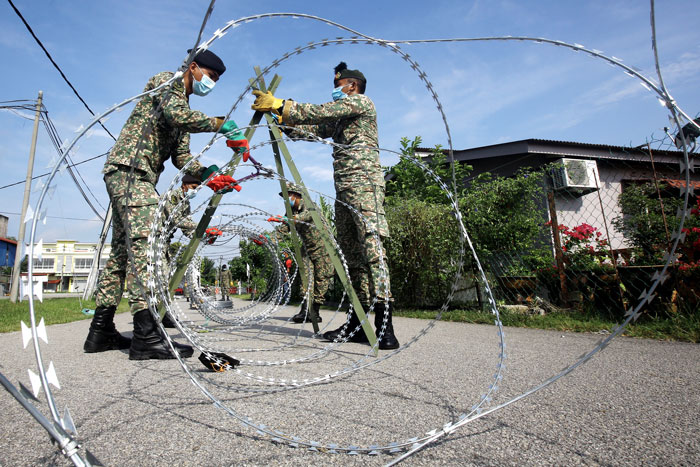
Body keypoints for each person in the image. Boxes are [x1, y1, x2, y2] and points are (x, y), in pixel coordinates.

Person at [84, 49, 247, 360]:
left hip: (138, 176)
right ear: (194, 68)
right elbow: (174, 114)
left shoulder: (185, 111)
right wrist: (222, 124)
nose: (210, 84)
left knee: (122, 251)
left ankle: (100, 331)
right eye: (210, 77)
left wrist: (210, 174)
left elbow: (181, 160)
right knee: (147, 244)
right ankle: (145, 334)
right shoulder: (166, 82)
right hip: (129, 170)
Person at [251, 62, 398, 349]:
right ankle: (357, 322)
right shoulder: (344, 116)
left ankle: (385, 325)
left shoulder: (360, 103)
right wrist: (283, 123)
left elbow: (319, 112)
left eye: (337, 84)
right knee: (351, 257)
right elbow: (316, 129)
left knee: (373, 249)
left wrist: (282, 104)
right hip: (344, 189)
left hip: (364, 185)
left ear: (351, 85)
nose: (334, 90)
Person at [270, 185, 333, 324]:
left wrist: (290, 219)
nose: (287, 200)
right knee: (306, 277)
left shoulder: (309, 205)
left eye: (288, 195)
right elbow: (283, 230)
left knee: (322, 278)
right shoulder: (291, 211)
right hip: (307, 248)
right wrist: (267, 239)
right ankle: (305, 310)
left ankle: (315, 311)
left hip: (323, 246)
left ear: (296, 195)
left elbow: (306, 216)